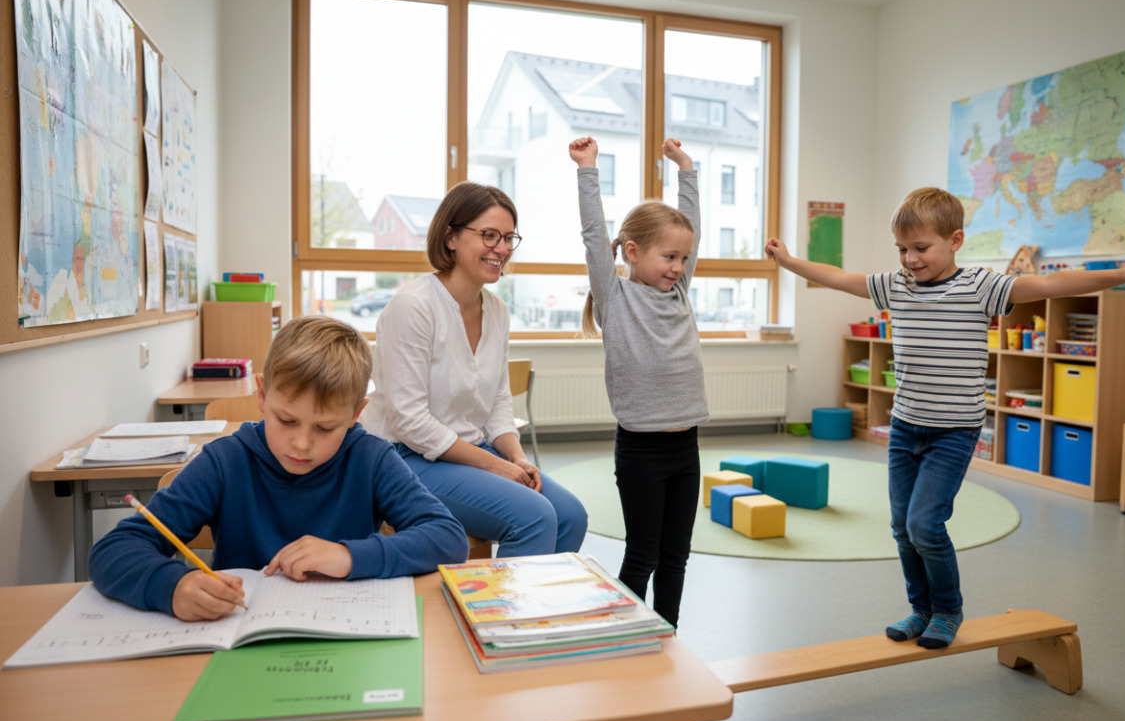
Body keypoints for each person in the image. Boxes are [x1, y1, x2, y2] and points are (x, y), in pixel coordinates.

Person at [766, 186, 1125, 649]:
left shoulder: (981, 286)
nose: (910, 259)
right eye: (902, 249)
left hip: (953, 431)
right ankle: (920, 610)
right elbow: (838, 277)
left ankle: (948, 610)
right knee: (902, 528)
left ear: (955, 240)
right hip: (905, 427)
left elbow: (1051, 286)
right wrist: (789, 261)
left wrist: (1124, 273)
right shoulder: (896, 286)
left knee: (924, 525)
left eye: (921, 248)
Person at [89, 315, 470, 621]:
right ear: (262, 395)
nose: (301, 443)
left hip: (345, 628)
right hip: (237, 637)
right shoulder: (224, 462)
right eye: (286, 420)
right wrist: (172, 586)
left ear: (356, 414)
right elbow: (114, 550)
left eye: (325, 428)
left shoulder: (371, 459)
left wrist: (349, 556)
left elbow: (447, 538)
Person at [361, 182, 587, 558]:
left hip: (468, 450)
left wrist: (516, 459)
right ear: (450, 237)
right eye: (489, 235)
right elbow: (409, 420)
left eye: (508, 238)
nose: (502, 248)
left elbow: (498, 403)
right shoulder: (413, 306)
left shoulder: (497, 311)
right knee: (535, 518)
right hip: (405, 457)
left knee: (571, 517)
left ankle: (532, 597)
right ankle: (503, 600)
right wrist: (496, 467)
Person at [568, 135, 708, 630]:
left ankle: (668, 634)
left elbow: (691, 227)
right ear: (632, 251)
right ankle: (627, 635)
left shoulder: (679, 290)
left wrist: (686, 168)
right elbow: (593, 234)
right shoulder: (615, 296)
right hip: (642, 451)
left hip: (686, 446)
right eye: (669, 257)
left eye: (683, 259)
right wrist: (587, 168)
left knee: (676, 556)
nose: (678, 267)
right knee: (643, 554)